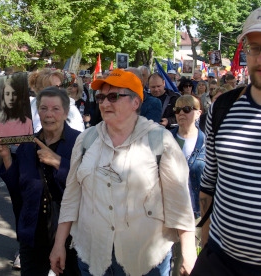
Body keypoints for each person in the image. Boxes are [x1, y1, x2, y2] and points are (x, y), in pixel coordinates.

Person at [50, 69, 196, 276]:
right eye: (101, 97)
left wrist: (189, 253)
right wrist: (59, 244)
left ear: (136, 103)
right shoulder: (86, 140)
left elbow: (179, 202)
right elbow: (72, 196)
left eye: (113, 96)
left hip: (144, 260)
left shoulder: (160, 140)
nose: (104, 103)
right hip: (93, 257)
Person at [191, 6, 261, 276]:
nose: (259, 58)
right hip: (220, 259)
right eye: (254, 48)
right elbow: (209, 182)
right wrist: (205, 242)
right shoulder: (223, 109)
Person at [0, 87, 81, 275]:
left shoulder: (79, 143)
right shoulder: (27, 143)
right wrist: (7, 157)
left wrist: (58, 162)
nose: (49, 114)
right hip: (32, 231)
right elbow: (18, 188)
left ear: (65, 113)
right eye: (43, 108)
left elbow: (88, 185)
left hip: (71, 233)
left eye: (55, 109)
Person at [170, 95, 205, 276]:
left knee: (184, 264)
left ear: (198, 113)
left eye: (186, 109)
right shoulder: (165, 139)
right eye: (177, 109)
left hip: (195, 213)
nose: (181, 113)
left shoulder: (207, 143)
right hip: (167, 211)